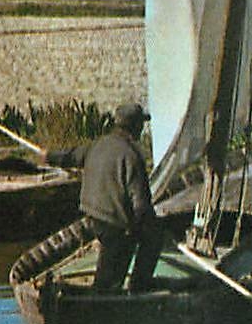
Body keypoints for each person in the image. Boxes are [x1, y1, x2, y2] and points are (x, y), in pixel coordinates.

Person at [47, 102, 165, 292]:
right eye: (141, 125)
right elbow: (141, 204)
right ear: (135, 126)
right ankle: (137, 286)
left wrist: (49, 156)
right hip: (114, 222)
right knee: (153, 237)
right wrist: (140, 227)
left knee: (111, 256)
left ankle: (107, 286)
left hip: (93, 214)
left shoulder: (97, 145)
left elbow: (69, 156)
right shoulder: (132, 156)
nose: (142, 129)